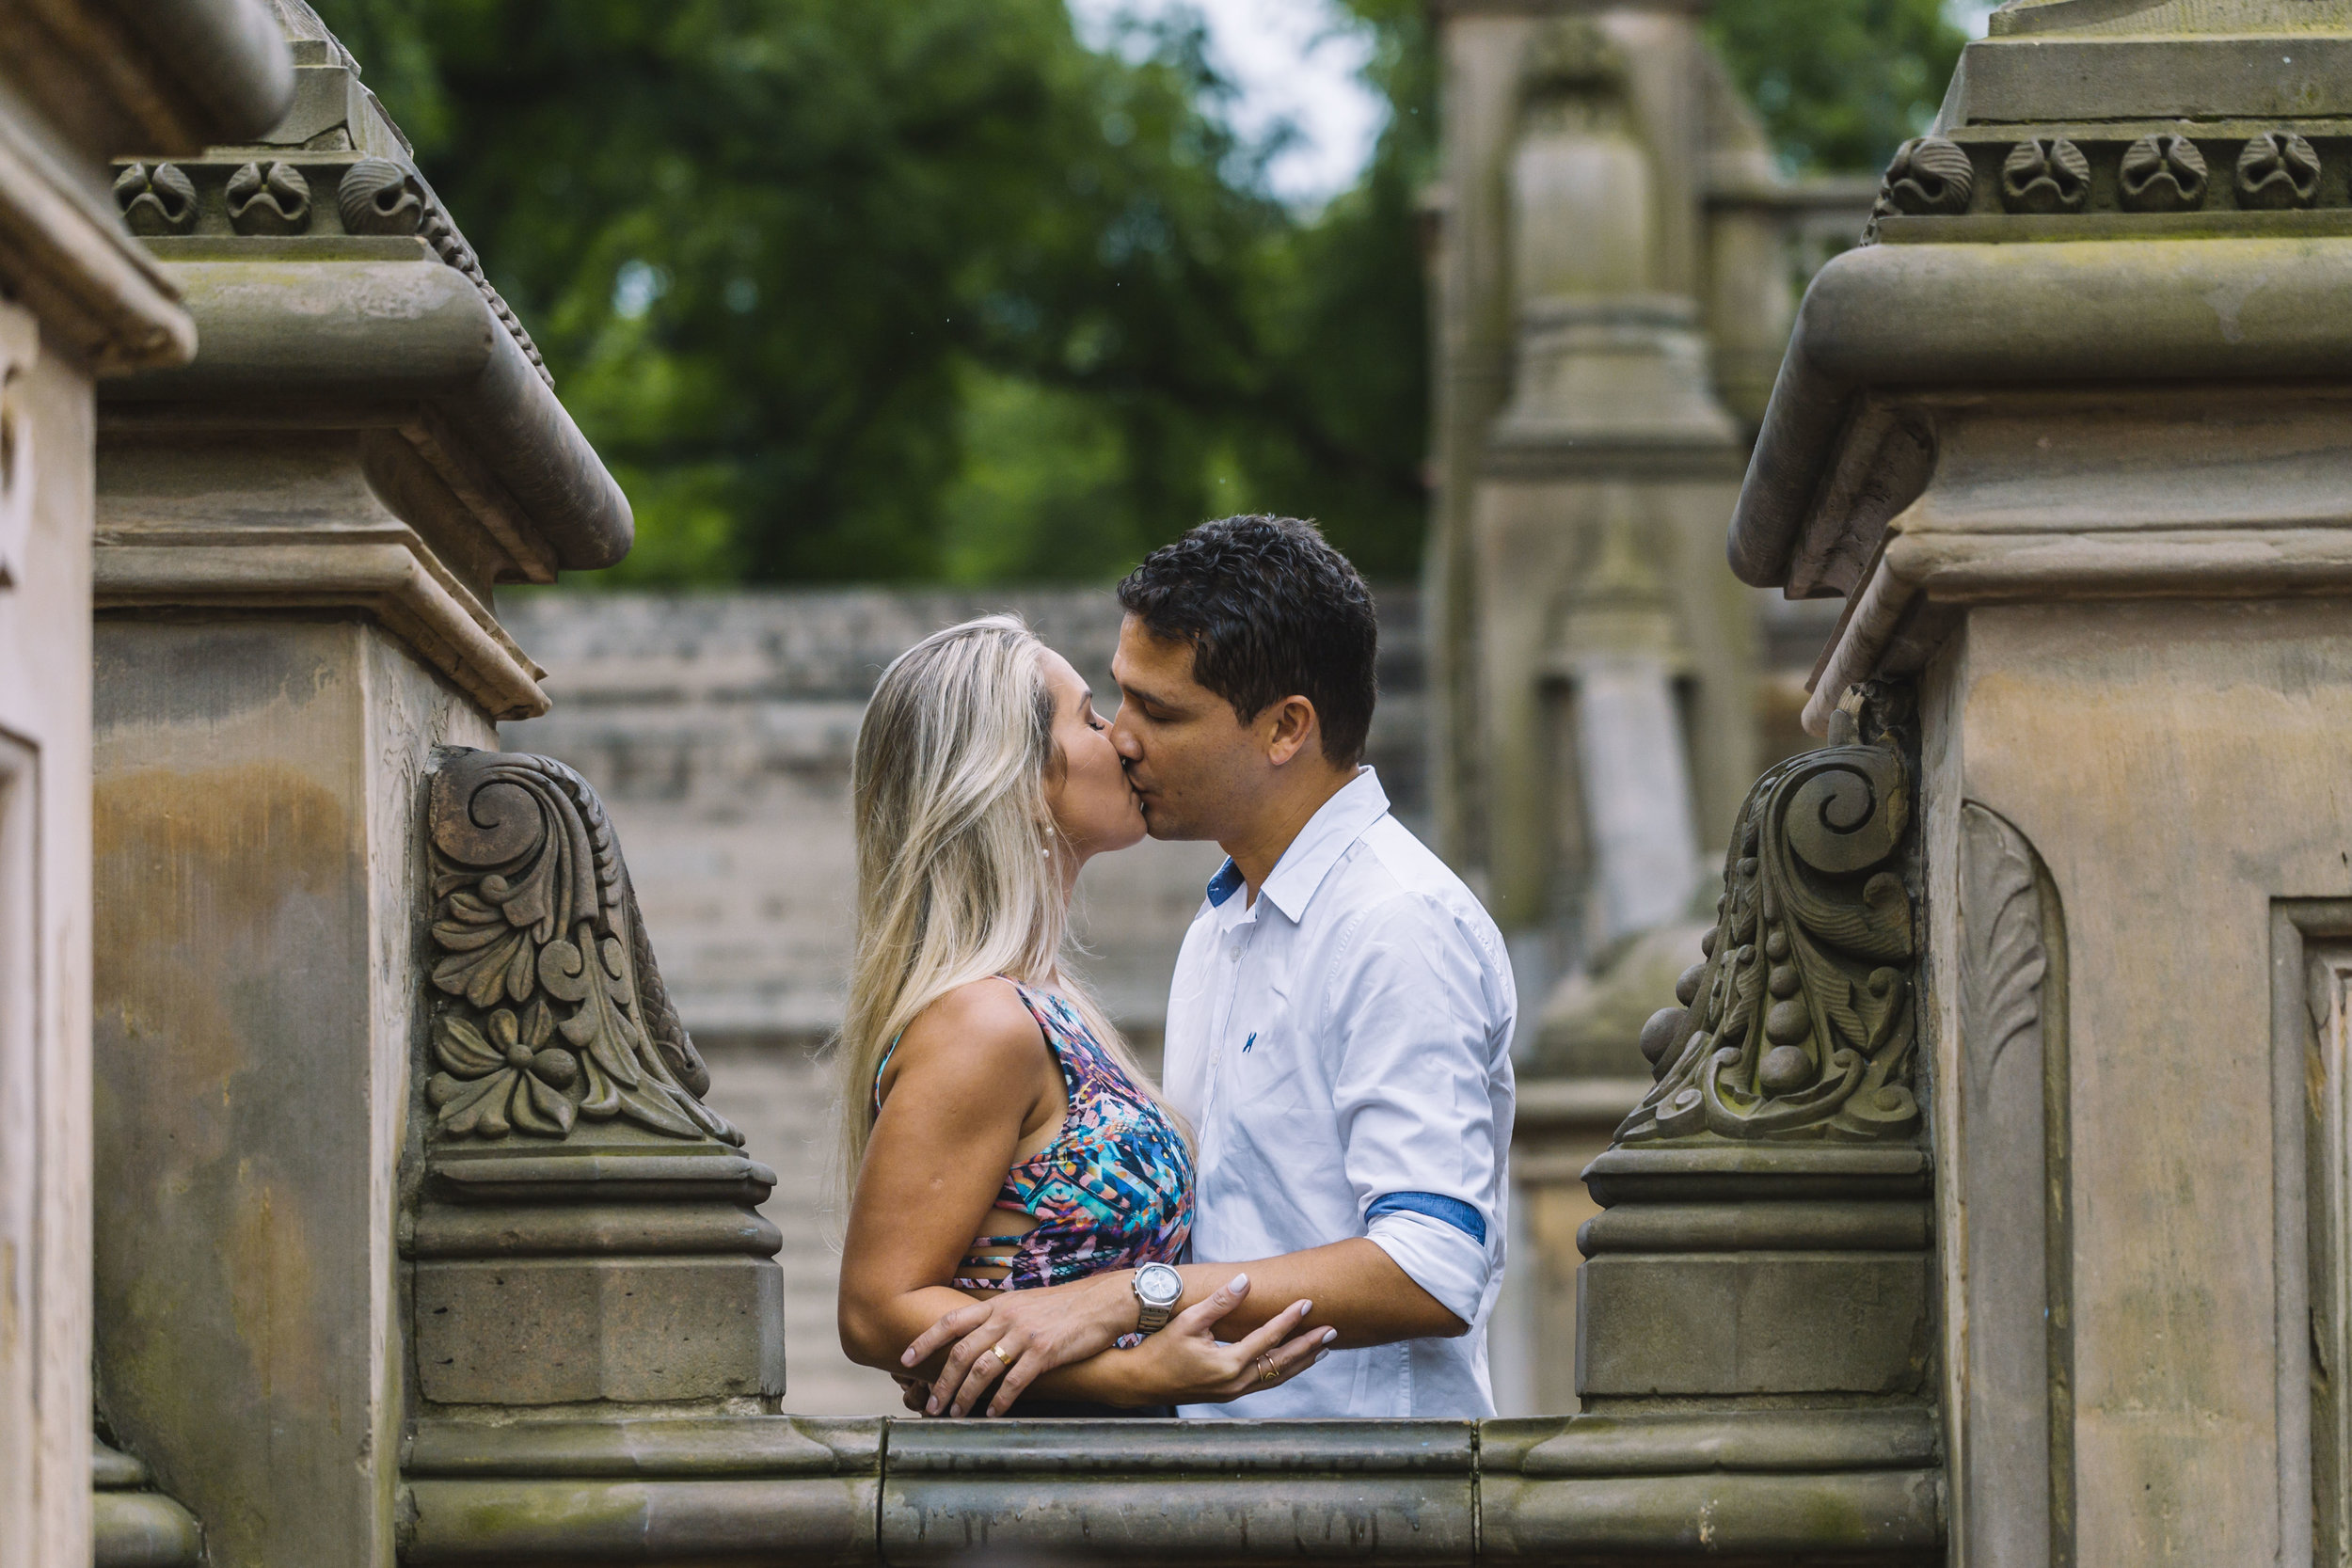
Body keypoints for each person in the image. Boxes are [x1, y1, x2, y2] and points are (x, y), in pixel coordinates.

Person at [903, 516, 1517, 1420]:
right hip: (1216, 1488)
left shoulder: (1396, 923)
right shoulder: (1224, 920)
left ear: (1285, 729)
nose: (1121, 740)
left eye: (1161, 711)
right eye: (1122, 699)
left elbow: (1432, 1264)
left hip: (1365, 1504)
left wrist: (1124, 1297)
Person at [833, 614, 1334, 1415]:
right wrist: (1130, 1375)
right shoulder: (983, 1020)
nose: (1125, 739)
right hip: (1030, 1505)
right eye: (1092, 718)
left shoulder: (1050, 1000)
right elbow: (874, 1308)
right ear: (1023, 781)